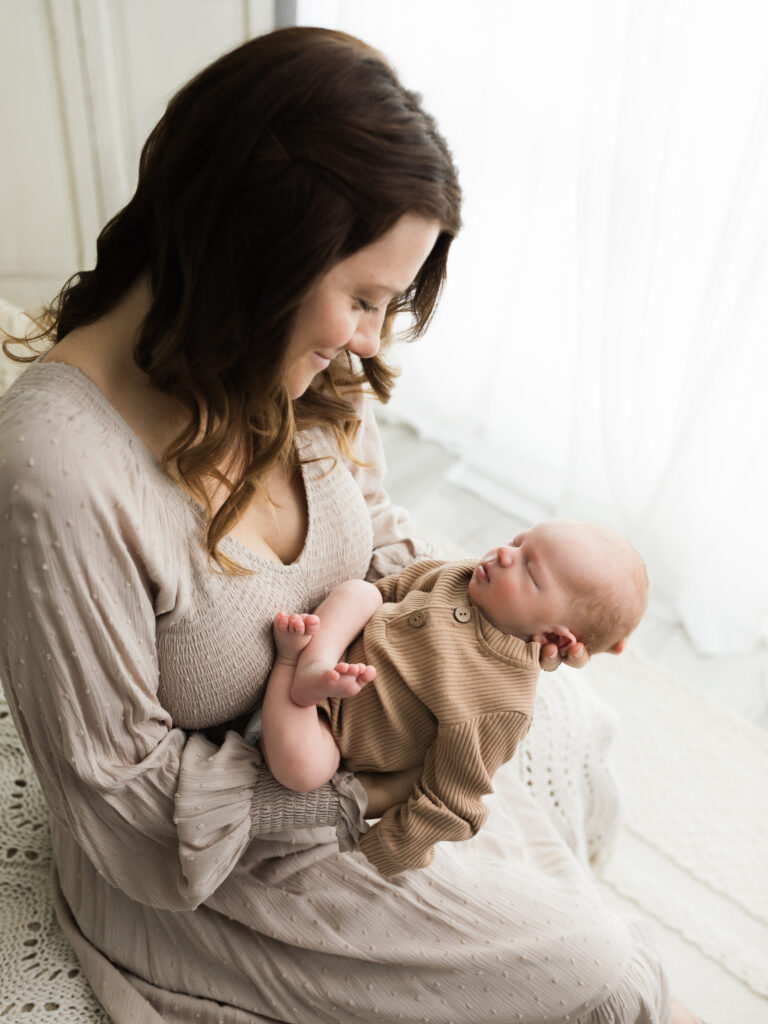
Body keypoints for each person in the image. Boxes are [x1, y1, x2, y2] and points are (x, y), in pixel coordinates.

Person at [0, 24, 702, 1024]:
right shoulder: (60, 474)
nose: (368, 342)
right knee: (609, 980)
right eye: (363, 298)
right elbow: (128, 815)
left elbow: (371, 527)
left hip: (363, 743)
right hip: (216, 859)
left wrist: (484, 617)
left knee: (564, 743)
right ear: (259, 253)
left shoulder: (294, 362)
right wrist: (363, 788)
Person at [258, 520, 648, 877]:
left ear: (555, 639)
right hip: (340, 651)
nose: (506, 554)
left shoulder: (502, 702)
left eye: (528, 569)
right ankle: (312, 663)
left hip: (338, 734)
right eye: (518, 540)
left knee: (304, 769)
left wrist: (391, 847)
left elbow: (454, 793)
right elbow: (392, 592)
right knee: (360, 594)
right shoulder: (459, 576)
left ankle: (291, 664)